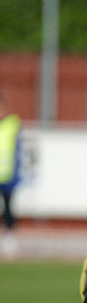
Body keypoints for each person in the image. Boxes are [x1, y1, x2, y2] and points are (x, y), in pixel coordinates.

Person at [0, 92, 21, 251]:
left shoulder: (12, 123)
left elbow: (18, 150)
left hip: (7, 174)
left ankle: (9, 237)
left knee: (8, 207)